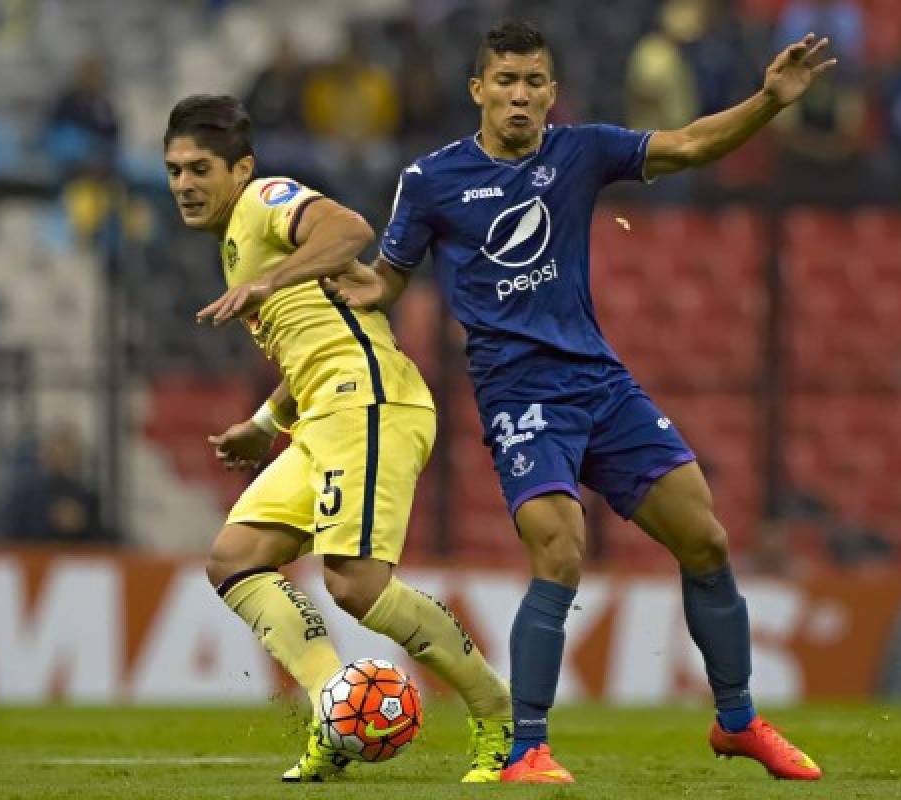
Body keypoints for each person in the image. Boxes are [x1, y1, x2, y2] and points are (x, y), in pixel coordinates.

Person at [326, 21, 833, 784]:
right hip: (518, 394)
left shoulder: (579, 150)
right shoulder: (431, 180)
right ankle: (527, 747)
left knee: (707, 541)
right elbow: (390, 278)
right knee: (561, 548)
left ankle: (738, 722)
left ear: (551, 92)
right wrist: (368, 286)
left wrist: (768, 100)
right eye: (505, 82)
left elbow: (690, 144)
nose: (520, 95)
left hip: (599, 384)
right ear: (479, 91)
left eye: (534, 82)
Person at [168, 94, 511, 783]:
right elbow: (316, 347)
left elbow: (349, 227)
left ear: (242, 168)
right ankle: (333, 705)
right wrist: (263, 425)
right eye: (174, 170)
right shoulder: (237, 242)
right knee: (235, 559)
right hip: (325, 412)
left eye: (200, 168)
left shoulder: (266, 200)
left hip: (372, 401)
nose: (184, 185)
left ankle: (499, 715)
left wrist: (271, 277)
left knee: (355, 584)